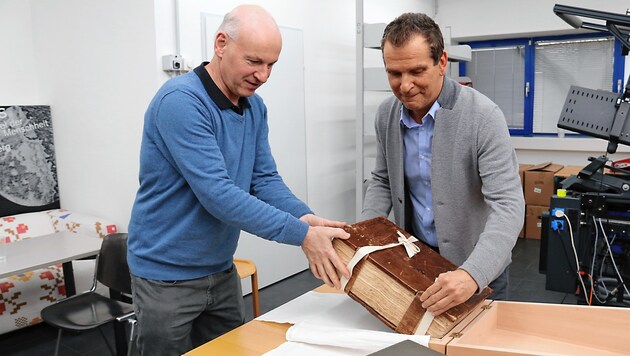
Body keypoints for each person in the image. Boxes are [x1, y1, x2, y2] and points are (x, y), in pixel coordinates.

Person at [127, 5, 350, 355]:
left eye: (271, 64)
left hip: (220, 269)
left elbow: (263, 179)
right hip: (166, 277)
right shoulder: (180, 102)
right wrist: (302, 235)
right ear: (221, 44)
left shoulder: (254, 107)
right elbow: (219, 195)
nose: (263, 75)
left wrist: (302, 216)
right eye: (254, 61)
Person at [361, 12, 525, 317]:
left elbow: (508, 205)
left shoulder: (483, 116)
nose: (405, 85)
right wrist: (361, 239)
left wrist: (472, 274)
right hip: (419, 259)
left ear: (442, 62)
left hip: (478, 264)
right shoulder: (386, 115)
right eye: (394, 73)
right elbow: (382, 180)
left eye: (416, 71)